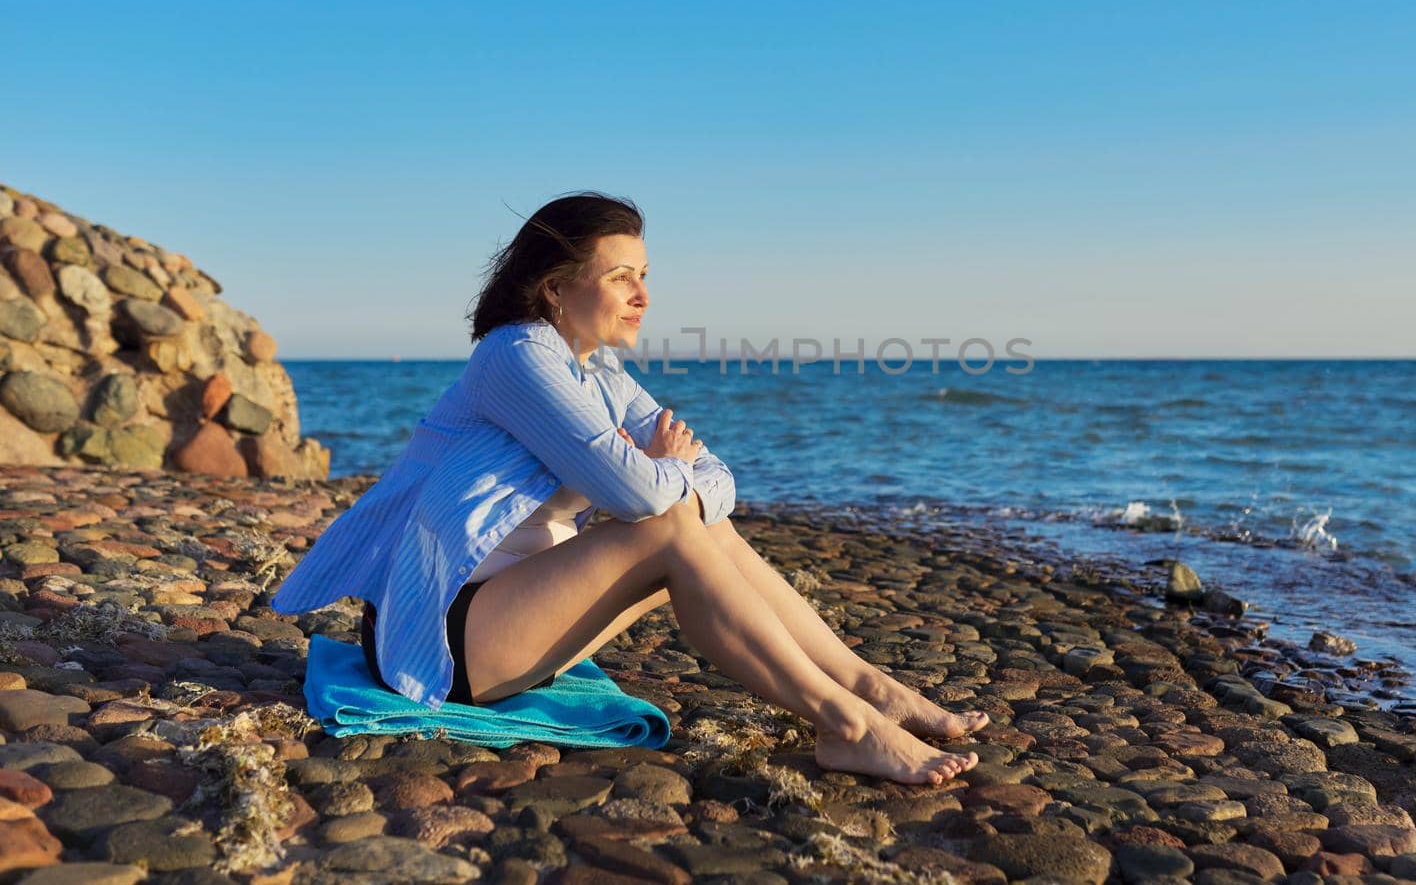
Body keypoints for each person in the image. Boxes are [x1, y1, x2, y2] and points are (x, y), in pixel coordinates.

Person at [273, 192, 985, 784]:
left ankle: (867, 688)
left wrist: (665, 473)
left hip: (512, 617)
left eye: (644, 274)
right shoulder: (516, 356)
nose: (643, 295)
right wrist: (663, 472)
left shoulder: (601, 375)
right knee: (671, 522)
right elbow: (644, 496)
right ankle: (848, 723)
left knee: (703, 524)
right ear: (555, 286)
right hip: (443, 637)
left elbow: (718, 478)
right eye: (621, 276)